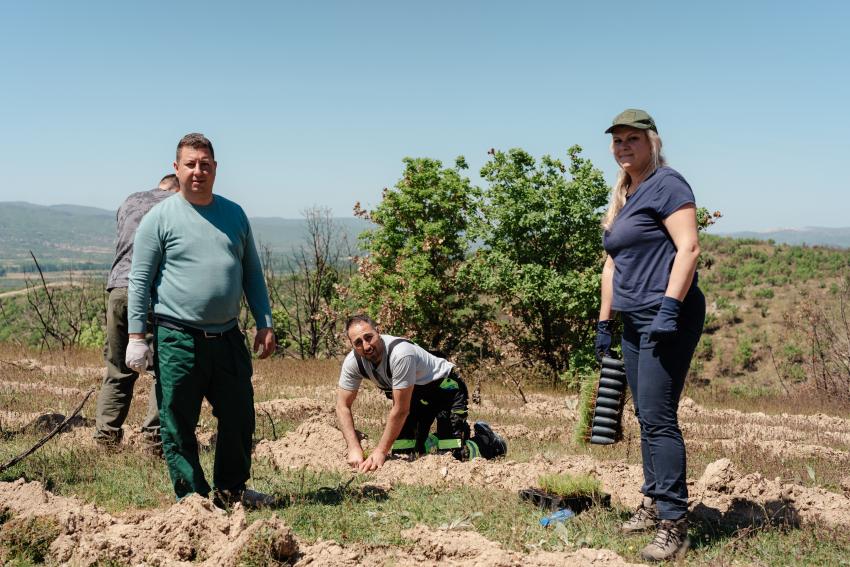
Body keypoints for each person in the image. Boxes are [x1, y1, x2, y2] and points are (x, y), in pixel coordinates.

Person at [125, 133, 276, 508]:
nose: (198, 171)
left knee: (239, 415)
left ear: (215, 169)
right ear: (176, 168)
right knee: (177, 421)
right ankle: (192, 499)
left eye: (204, 164)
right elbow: (140, 280)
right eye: (190, 164)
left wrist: (265, 321)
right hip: (178, 337)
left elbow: (252, 274)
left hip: (227, 336)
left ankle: (231, 491)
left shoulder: (234, 215)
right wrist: (136, 336)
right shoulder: (158, 219)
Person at [595, 109, 704, 561]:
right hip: (634, 319)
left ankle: (674, 523)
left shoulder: (668, 184)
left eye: (633, 139)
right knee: (645, 413)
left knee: (659, 417)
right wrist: (605, 322)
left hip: (667, 316)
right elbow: (612, 265)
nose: (624, 146)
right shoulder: (626, 193)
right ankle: (654, 501)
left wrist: (670, 308)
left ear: (652, 142)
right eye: (618, 140)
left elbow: (689, 248)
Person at [336, 314, 507, 472]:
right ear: (352, 345)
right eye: (358, 343)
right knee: (403, 452)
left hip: (445, 389)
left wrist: (380, 451)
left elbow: (400, 410)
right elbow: (342, 406)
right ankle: (438, 438)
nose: (366, 346)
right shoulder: (353, 363)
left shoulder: (400, 354)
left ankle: (488, 442)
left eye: (369, 337)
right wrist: (354, 448)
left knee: (453, 456)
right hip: (414, 397)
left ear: (378, 332)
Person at [93, 174, 179, 449]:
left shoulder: (130, 200)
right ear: (177, 185)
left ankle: (106, 439)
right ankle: (155, 440)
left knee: (118, 369)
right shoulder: (177, 204)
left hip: (118, 289)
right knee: (163, 371)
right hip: (154, 292)